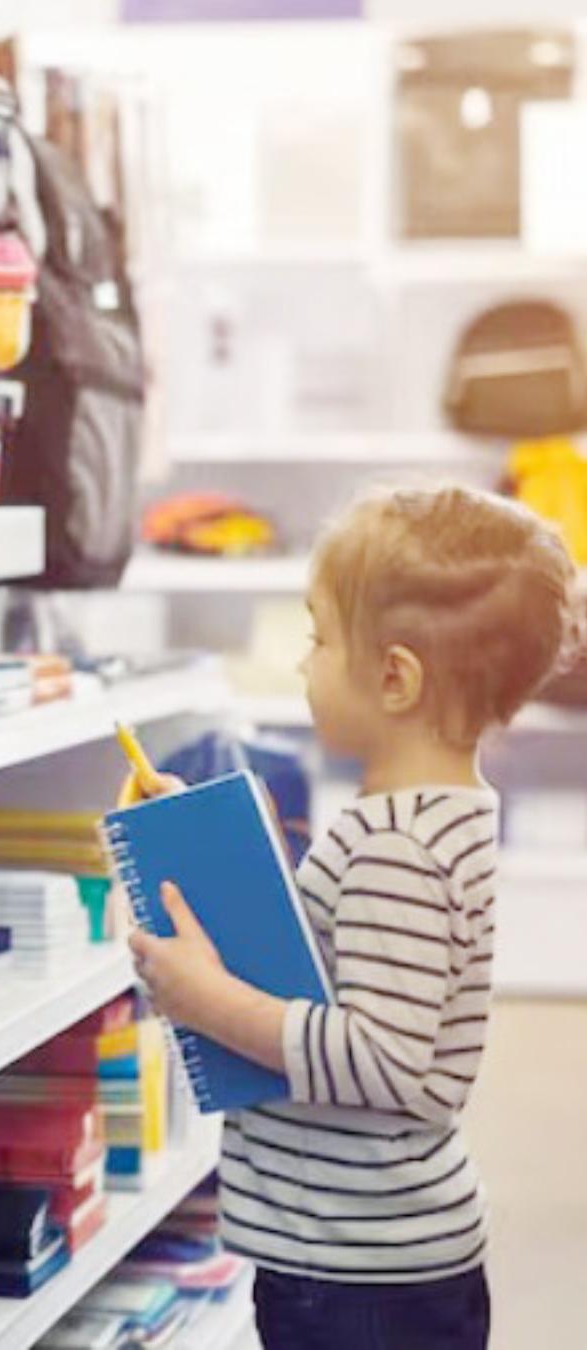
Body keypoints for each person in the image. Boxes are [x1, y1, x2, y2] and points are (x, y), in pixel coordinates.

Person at [127, 485, 578, 1350]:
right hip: (373, 1259)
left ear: (395, 676)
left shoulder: (395, 847)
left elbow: (385, 1060)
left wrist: (207, 1001)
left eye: (318, 639)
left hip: (356, 1275)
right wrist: (210, 853)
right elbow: (332, 966)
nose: (303, 665)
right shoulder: (435, 817)